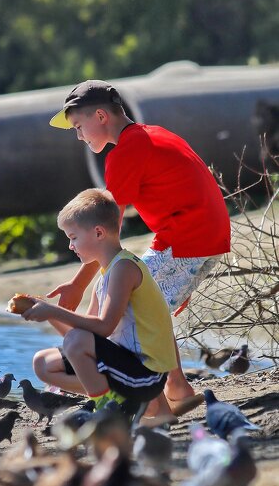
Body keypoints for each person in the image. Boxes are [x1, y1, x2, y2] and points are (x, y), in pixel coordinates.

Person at [46, 79, 231, 417]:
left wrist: (79, 284)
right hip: (200, 233)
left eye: (78, 126)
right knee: (145, 303)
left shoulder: (128, 150)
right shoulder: (149, 134)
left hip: (190, 235)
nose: (78, 136)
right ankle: (176, 388)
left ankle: (152, 402)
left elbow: (105, 234)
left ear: (101, 116)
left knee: (129, 299)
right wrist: (86, 285)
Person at [21, 189, 178, 416]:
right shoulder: (105, 277)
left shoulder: (124, 268)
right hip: (126, 368)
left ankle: (109, 411)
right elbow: (85, 338)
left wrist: (53, 310)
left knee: (75, 341)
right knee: (42, 363)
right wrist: (46, 312)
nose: (70, 246)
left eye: (73, 237)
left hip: (146, 376)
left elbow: (103, 327)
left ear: (98, 233)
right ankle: (124, 400)